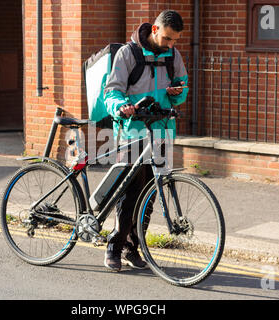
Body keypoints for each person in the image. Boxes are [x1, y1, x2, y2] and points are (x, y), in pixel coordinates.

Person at [103, 10, 189, 271]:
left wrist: (176, 93)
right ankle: (114, 248)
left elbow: (182, 88)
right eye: (167, 38)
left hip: (162, 132)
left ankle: (132, 248)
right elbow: (112, 91)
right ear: (154, 30)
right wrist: (121, 106)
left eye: (174, 40)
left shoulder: (173, 56)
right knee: (129, 195)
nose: (170, 45)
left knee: (152, 196)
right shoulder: (128, 54)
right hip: (133, 133)